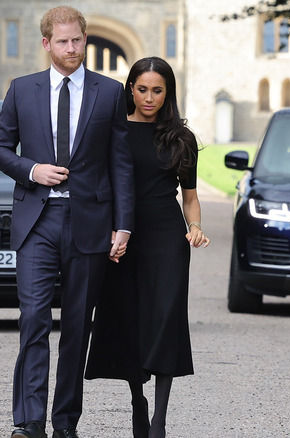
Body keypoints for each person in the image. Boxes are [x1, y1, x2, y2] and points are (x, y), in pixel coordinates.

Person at [0, 6, 135, 438]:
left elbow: (120, 164)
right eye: (63, 41)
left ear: (85, 39)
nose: (71, 49)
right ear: (46, 43)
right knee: (33, 319)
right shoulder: (21, 89)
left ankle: (65, 423)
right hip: (37, 219)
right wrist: (32, 170)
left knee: (76, 326)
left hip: (90, 222)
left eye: (78, 40)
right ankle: (30, 421)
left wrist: (123, 225)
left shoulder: (109, 92)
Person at [85, 57, 210, 438]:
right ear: (130, 89)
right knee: (129, 320)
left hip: (167, 240)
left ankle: (159, 420)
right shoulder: (114, 129)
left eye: (158, 90)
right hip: (122, 238)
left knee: (165, 320)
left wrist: (196, 227)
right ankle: (137, 399)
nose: (149, 97)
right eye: (142, 89)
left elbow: (189, 197)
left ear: (168, 92)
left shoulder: (181, 138)